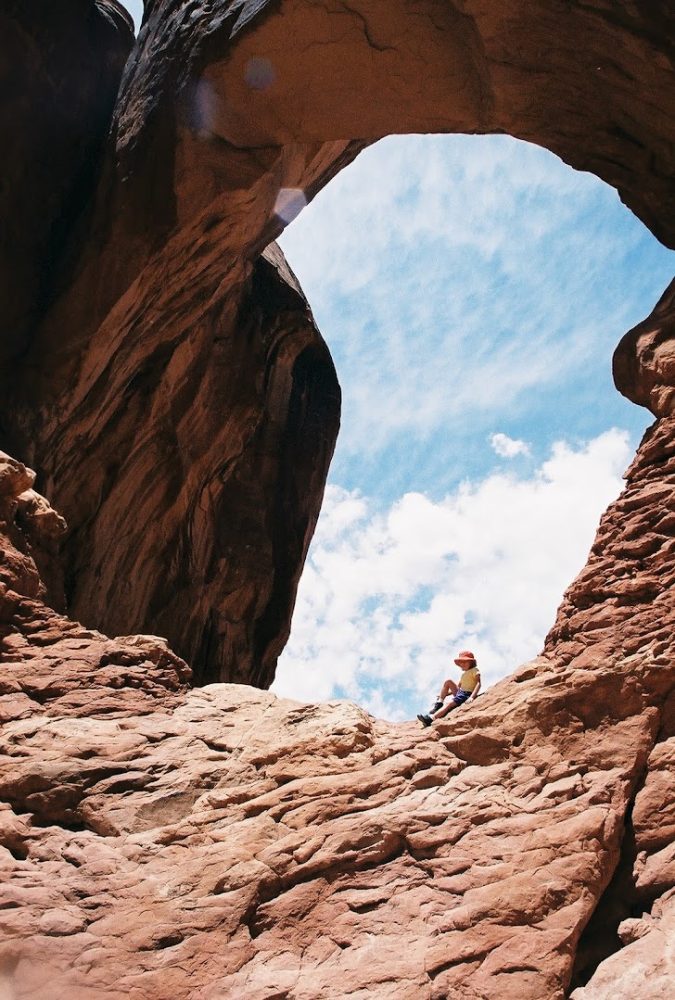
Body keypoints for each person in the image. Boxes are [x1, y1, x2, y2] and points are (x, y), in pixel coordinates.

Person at [417, 650, 481, 727]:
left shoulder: (474, 670)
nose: (463, 664)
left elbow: (478, 683)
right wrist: (445, 694)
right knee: (448, 681)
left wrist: (472, 697)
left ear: (471, 662)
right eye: (461, 662)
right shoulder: (463, 674)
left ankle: (431, 719)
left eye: (465, 662)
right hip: (461, 693)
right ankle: (439, 703)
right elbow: (459, 687)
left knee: (449, 704)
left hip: (466, 694)